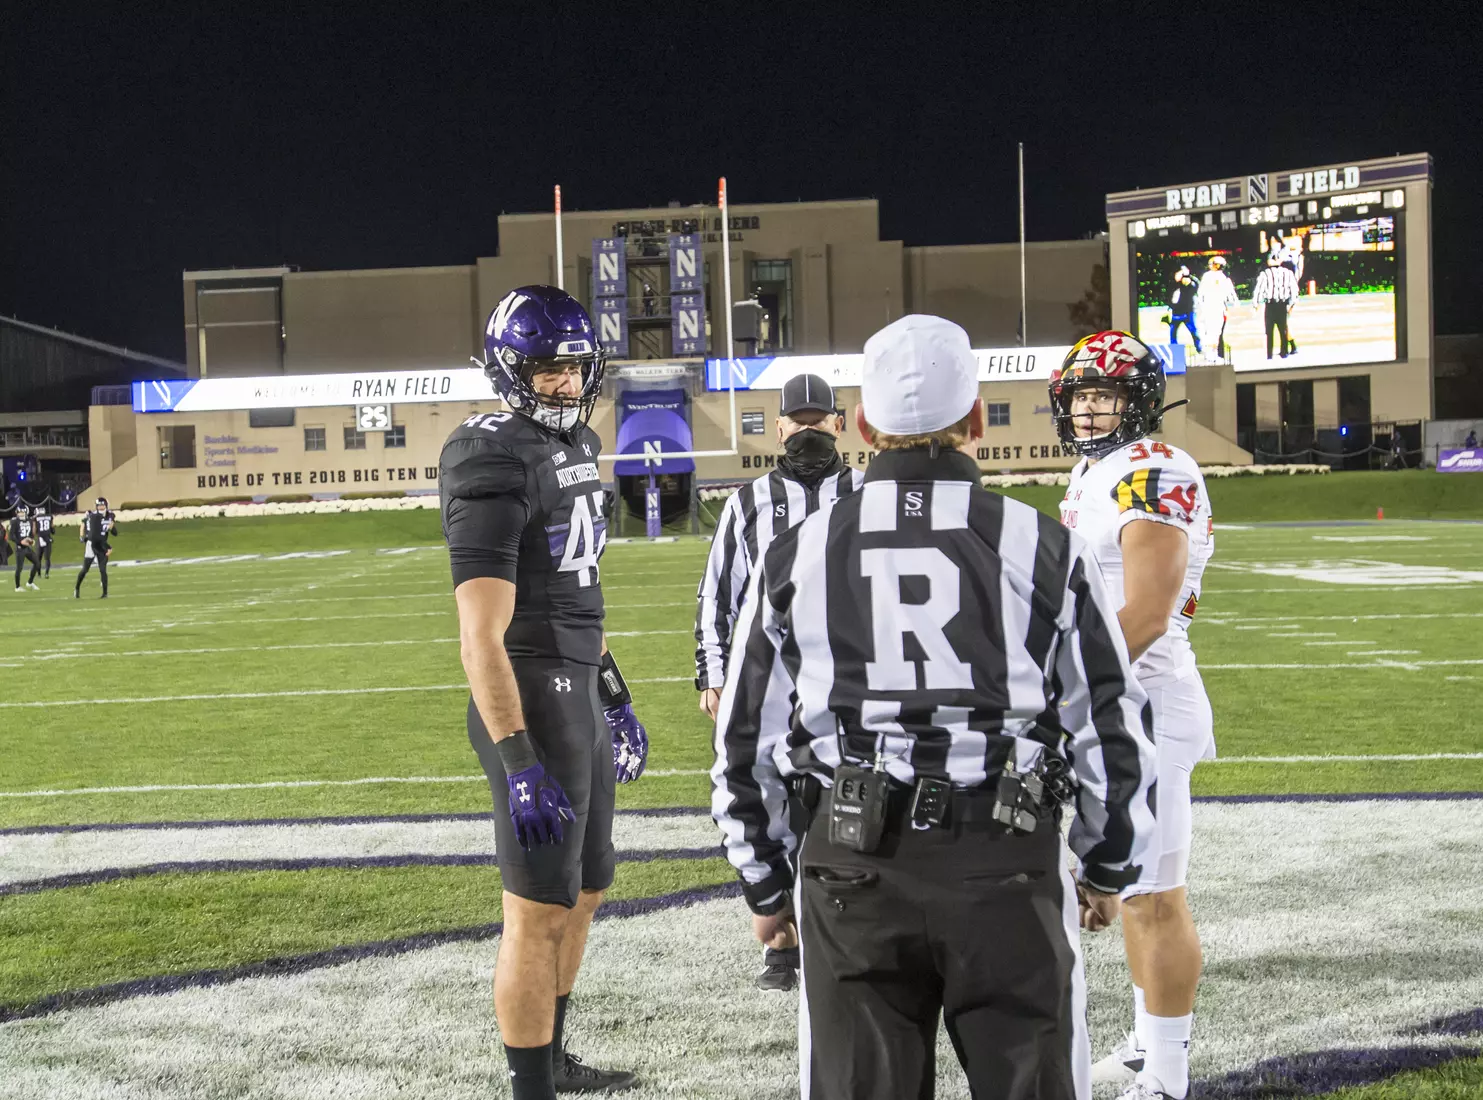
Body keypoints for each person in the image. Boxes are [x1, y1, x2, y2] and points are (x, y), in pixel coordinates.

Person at [712, 313, 1158, 1100]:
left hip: (851, 862)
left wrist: (763, 879)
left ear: (861, 425)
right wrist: (1104, 862)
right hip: (1004, 856)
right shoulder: (1040, 543)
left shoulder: (799, 551)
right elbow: (1111, 718)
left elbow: (745, 738)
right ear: (977, 420)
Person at [440, 285, 647, 1098]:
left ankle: (552, 1056)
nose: (562, 383)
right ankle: (530, 1087)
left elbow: (575, 592)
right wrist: (517, 755)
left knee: (586, 889)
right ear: (506, 369)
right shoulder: (487, 453)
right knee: (535, 908)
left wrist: (613, 688)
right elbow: (479, 633)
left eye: (572, 367)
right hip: (528, 692)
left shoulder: (579, 442)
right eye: (544, 369)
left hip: (577, 688)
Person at [1050, 330, 1217, 1100]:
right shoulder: (1097, 471)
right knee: (1125, 886)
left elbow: (1146, 612)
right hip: (1112, 701)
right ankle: (1149, 1045)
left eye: (1104, 396)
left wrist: (1059, 683)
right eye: (1081, 396)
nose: (1089, 410)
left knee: (1152, 896)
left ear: (1138, 401)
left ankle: (1169, 1078)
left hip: (1141, 701)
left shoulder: (1151, 468)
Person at [694, 372, 863, 992]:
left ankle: (840, 929)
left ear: (837, 425)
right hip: (767, 677)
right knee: (767, 801)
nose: (811, 429)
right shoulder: (747, 502)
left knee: (841, 799)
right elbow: (717, 589)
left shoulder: (865, 493)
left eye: (823, 419)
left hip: (846, 677)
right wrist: (712, 671)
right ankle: (783, 940)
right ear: (782, 425)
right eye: (801, 419)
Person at [1252, 255, 1299, 360]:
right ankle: (1284, 352)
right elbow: (1294, 290)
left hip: (1270, 305)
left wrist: (1256, 304)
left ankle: (1269, 354)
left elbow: (1259, 290)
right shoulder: (1288, 273)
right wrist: (1291, 304)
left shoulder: (1265, 274)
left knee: (1269, 331)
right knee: (1283, 330)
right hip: (1283, 304)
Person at [1194, 256, 1237, 362]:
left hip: (1210, 308)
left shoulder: (1209, 277)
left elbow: (1200, 293)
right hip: (1216, 308)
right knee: (1214, 333)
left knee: (1210, 333)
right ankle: (1213, 355)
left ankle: (1211, 355)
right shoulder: (1223, 278)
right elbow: (1231, 297)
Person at [75, 498, 117, 598]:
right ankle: (77, 588)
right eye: (99, 506)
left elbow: (115, 533)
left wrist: (111, 527)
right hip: (92, 544)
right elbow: (94, 535)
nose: (101, 507)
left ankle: (105, 593)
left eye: (102, 505)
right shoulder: (93, 516)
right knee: (85, 569)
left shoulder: (110, 515)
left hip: (102, 543)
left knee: (103, 569)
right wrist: (108, 547)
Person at [1166, 267, 1201, 354]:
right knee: (1173, 333)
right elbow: (1169, 296)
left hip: (1188, 313)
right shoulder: (1176, 286)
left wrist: (1190, 276)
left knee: (1194, 332)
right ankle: (1174, 349)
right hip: (1177, 313)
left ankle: (1199, 348)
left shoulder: (1191, 287)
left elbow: (1197, 284)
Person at [9, 503, 42, 592]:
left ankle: (30, 582)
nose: (19, 514)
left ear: (26, 512)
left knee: (37, 563)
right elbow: (11, 536)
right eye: (18, 512)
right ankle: (17, 587)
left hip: (27, 548)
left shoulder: (30, 521)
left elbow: (30, 534)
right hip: (20, 548)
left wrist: (31, 540)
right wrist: (20, 542)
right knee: (19, 568)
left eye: (21, 512)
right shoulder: (15, 521)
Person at [32, 501, 54, 578]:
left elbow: (34, 530)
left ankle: (39, 574)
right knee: (47, 558)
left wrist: (32, 536)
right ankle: (47, 573)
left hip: (40, 539)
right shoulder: (50, 516)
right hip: (48, 539)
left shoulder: (36, 518)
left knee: (38, 558)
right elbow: (53, 530)